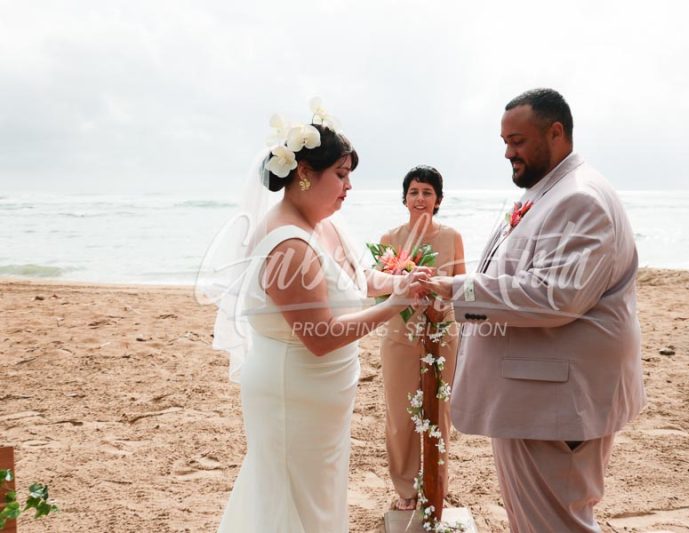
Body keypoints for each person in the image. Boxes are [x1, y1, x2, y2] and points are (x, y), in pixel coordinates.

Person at [423, 89, 646, 532]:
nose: (508, 152)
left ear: (556, 132)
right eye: (505, 141)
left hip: (553, 400)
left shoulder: (580, 199)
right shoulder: (552, 191)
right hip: (538, 396)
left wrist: (456, 290)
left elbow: (555, 295)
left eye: (518, 140)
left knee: (556, 523)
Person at [201, 108, 429, 533]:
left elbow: (359, 276)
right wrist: (395, 304)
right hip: (293, 392)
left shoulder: (327, 223)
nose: (349, 186)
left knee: (318, 495)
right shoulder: (288, 244)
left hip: (323, 396)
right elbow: (320, 337)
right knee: (291, 499)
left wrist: (402, 279)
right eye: (341, 175)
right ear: (304, 172)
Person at [377, 165, 465, 511]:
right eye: (414, 192)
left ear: (438, 200)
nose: (420, 198)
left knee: (439, 411)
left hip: (442, 334)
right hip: (400, 336)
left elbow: (461, 287)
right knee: (401, 416)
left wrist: (439, 303)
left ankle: (435, 485)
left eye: (427, 192)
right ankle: (405, 488)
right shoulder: (389, 241)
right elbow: (382, 295)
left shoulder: (452, 237)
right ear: (404, 198)